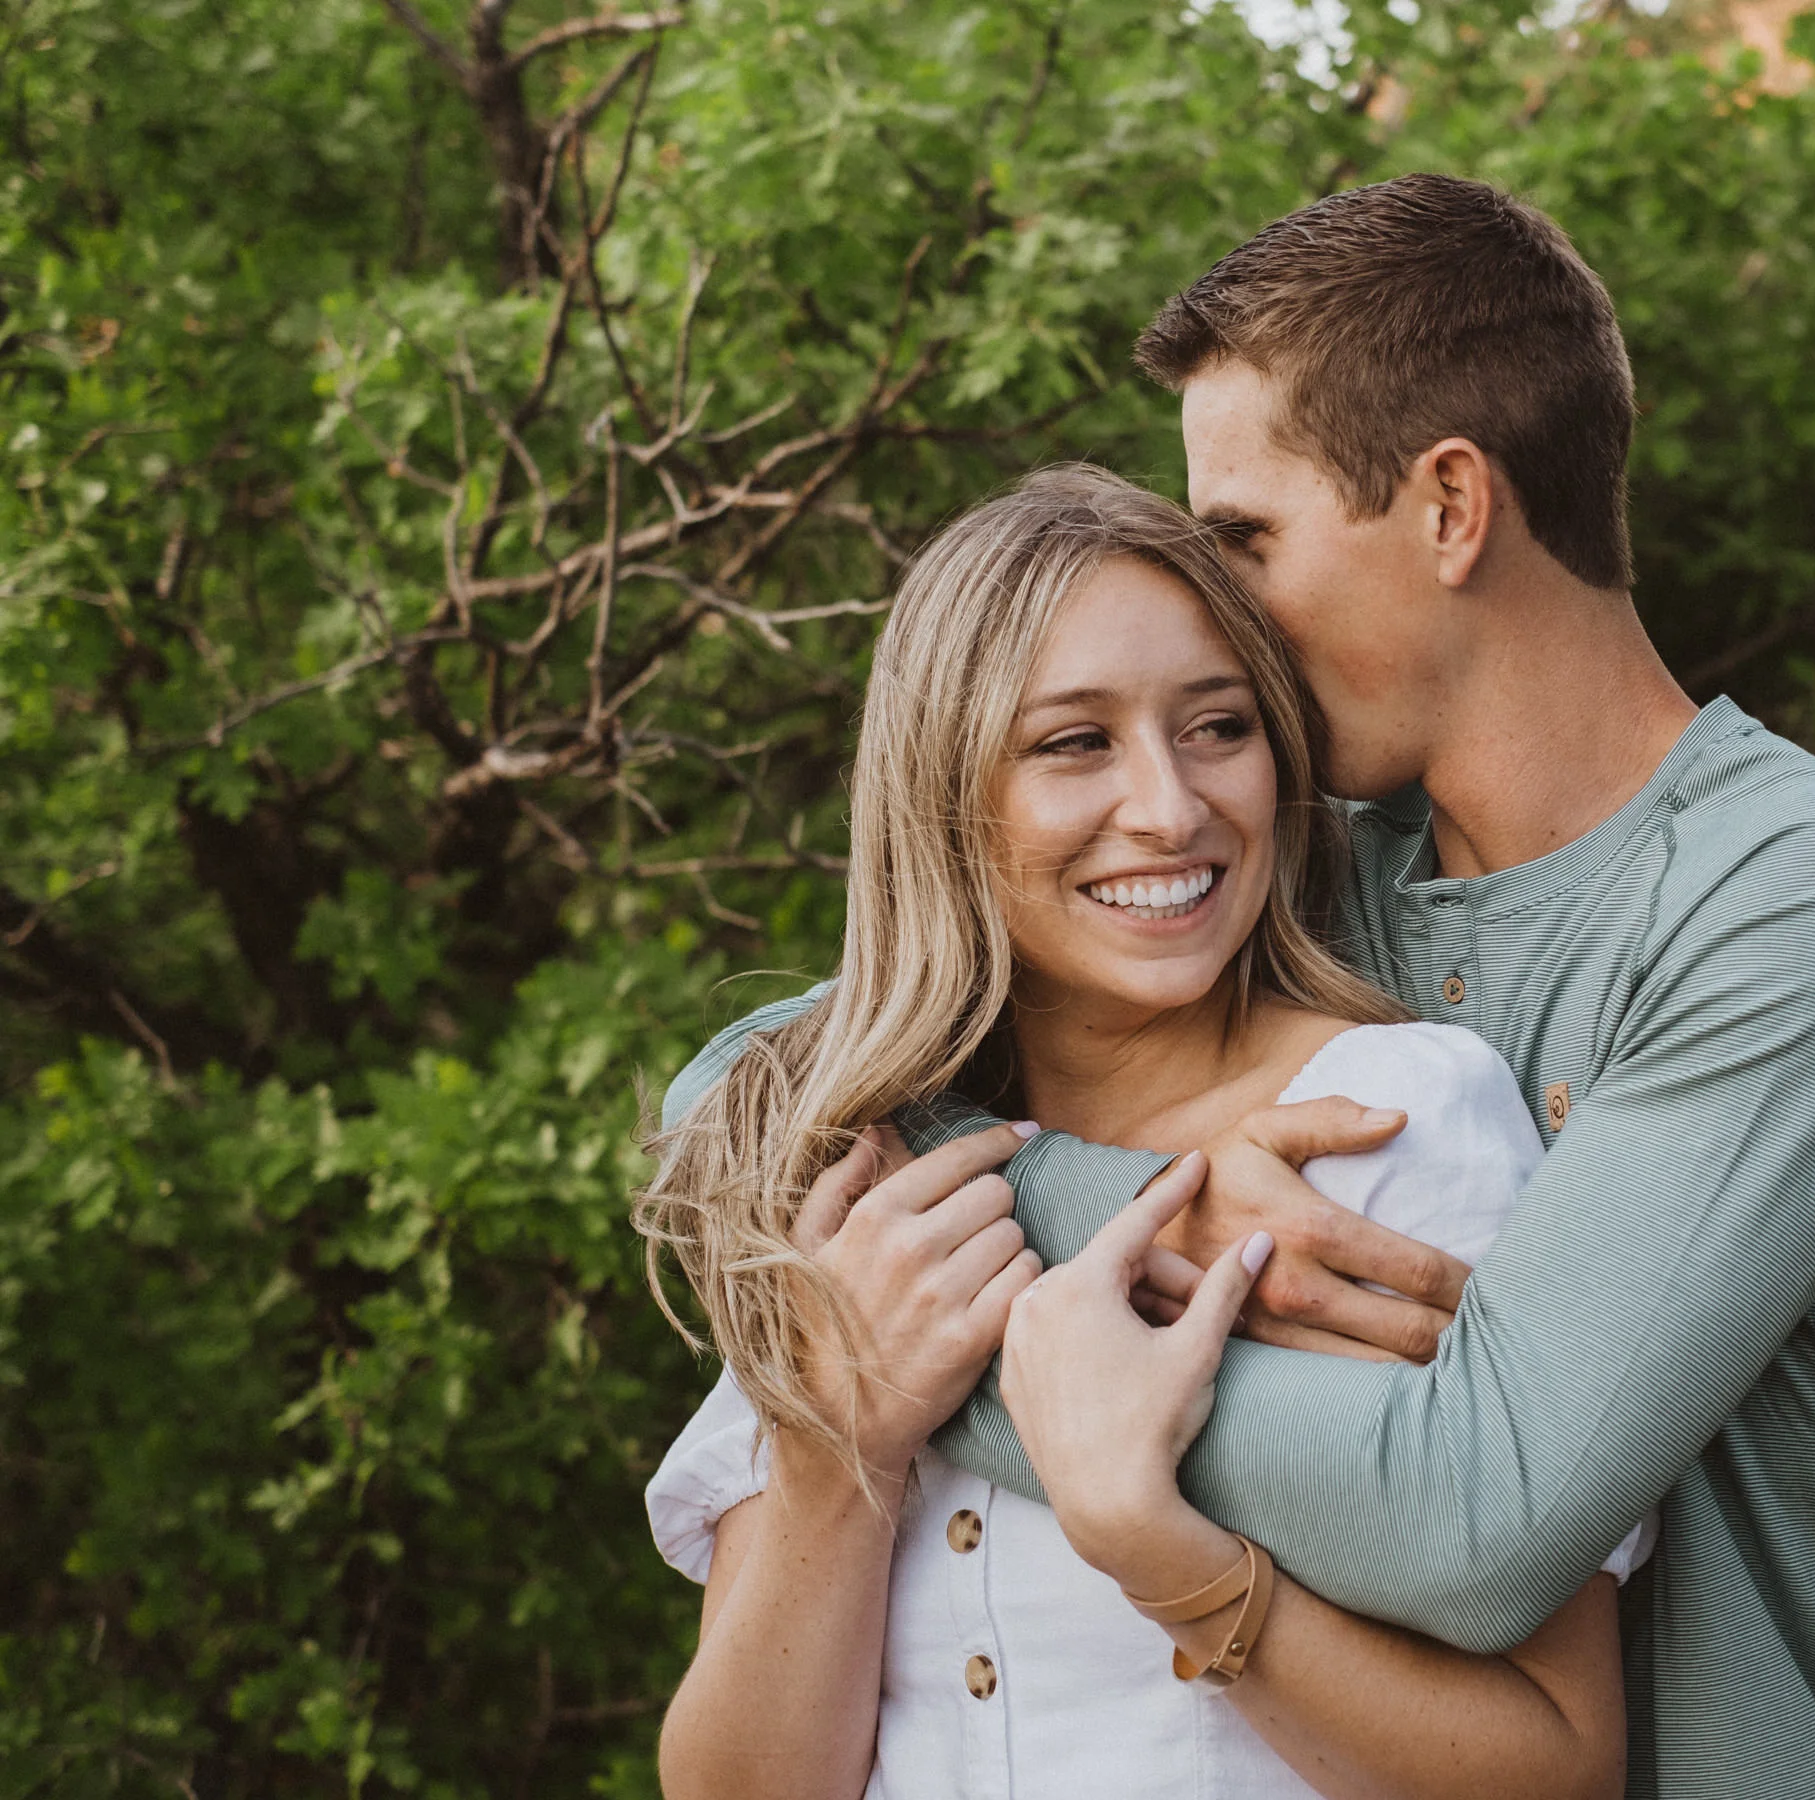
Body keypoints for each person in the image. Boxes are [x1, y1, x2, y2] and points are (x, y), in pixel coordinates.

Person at [662, 173, 1815, 1800]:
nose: (1221, 607)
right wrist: (1153, 1200)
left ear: (1448, 508)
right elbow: (742, 1083)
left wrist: (989, 1320)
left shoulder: (1803, 888)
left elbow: (1482, 1511)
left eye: (1245, 538)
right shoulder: (1314, 883)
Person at [637, 464, 1652, 1800]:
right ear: (946, 794)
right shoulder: (864, 1172)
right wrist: (847, 1443)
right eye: (1074, 743)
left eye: (1217, 727)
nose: (1171, 809)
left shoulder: (1389, 1122)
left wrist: (1164, 1555)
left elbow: (1553, 1764)